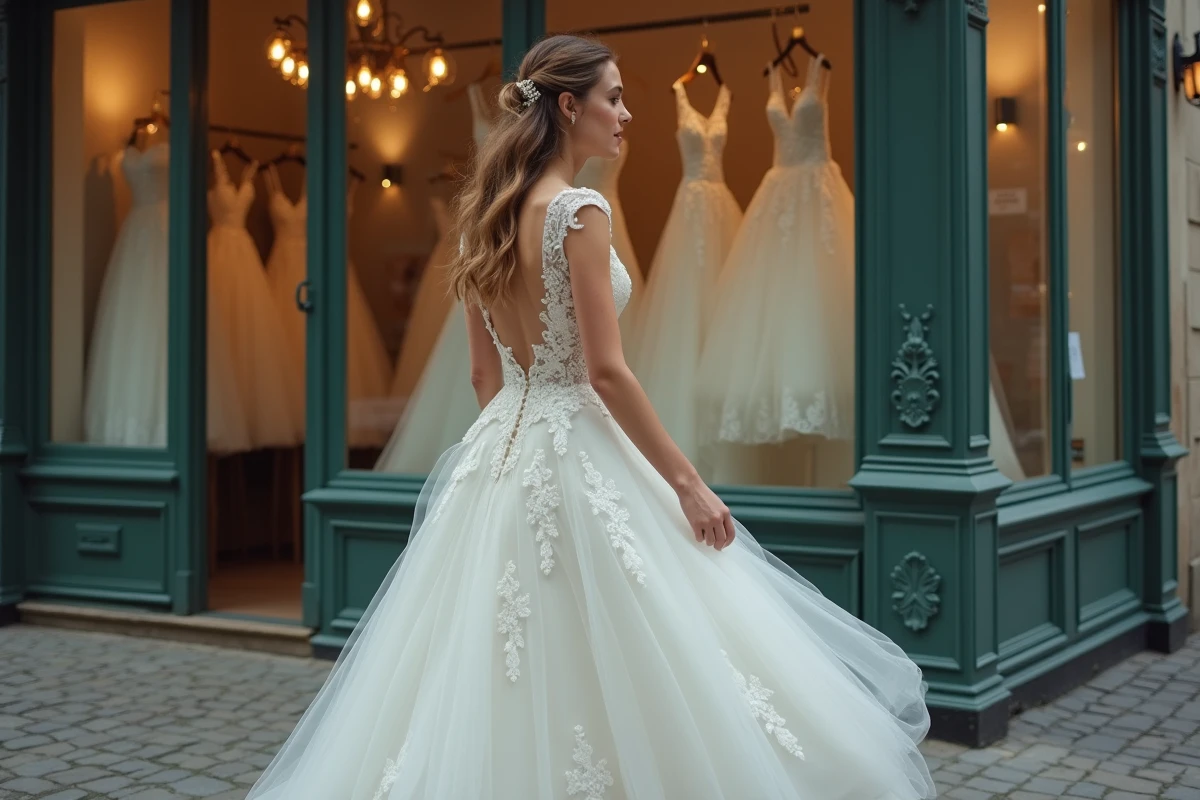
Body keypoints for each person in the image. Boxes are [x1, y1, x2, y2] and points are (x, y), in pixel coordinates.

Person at [244, 35, 937, 800]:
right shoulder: (578, 210)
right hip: (574, 441)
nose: (626, 114)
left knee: (492, 658)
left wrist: (524, 442)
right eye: (613, 97)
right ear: (569, 106)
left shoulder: (483, 216)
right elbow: (606, 371)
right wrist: (687, 484)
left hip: (499, 455)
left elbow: (483, 374)